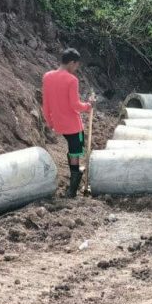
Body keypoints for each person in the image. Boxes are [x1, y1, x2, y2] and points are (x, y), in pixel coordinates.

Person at [42, 48, 95, 198]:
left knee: (73, 151)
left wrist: (50, 122)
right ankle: (72, 190)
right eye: (77, 65)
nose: (76, 69)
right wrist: (89, 106)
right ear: (72, 62)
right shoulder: (72, 80)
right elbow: (75, 105)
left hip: (59, 123)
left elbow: (45, 104)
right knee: (75, 152)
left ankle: (75, 177)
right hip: (73, 125)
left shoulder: (47, 77)